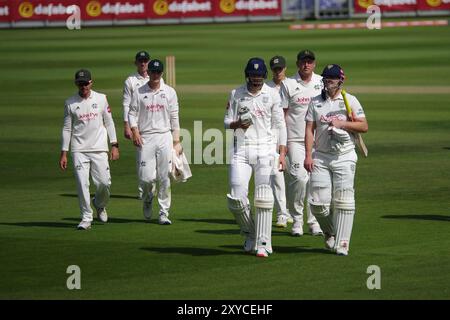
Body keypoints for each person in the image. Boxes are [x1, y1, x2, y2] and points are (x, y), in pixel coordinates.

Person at [224, 57, 287, 258]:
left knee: (263, 197)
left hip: (265, 149)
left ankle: (263, 242)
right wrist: (237, 125)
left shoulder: (272, 94)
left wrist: (282, 153)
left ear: (264, 76)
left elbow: (280, 125)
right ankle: (251, 232)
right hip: (241, 149)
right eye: (253, 75)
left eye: (260, 75)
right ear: (247, 75)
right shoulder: (236, 93)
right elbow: (226, 122)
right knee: (236, 198)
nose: (256, 79)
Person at [304, 64, 368, 256]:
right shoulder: (315, 102)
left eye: (331, 79)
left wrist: (343, 123)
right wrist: (308, 155)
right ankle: (330, 231)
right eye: (325, 78)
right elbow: (309, 129)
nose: (327, 82)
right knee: (317, 203)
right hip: (321, 156)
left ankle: (343, 243)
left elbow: (363, 126)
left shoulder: (350, 100)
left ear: (341, 80)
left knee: (343, 201)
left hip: (344, 156)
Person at [59, 69, 120, 230]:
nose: (83, 86)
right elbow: (67, 129)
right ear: (76, 84)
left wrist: (114, 145)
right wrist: (64, 152)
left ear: (91, 82)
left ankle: (99, 204)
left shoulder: (101, 99)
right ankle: (86, 217)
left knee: (104, 183)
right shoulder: (70, 103)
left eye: (86, 83)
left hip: (99, 148)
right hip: (79, 149)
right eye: (80, 83)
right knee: (82, 183)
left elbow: (109, 122)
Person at [128, 59, 182, 225]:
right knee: (146, 178)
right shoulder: (139, 91)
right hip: (146, 137)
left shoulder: (170, 92)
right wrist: (135, 131)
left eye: (158, 72)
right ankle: (148, 197)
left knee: (164, 176)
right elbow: (132, 114)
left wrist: (176, 141)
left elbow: (175, 117)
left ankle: (164, 212)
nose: (156, 75)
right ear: (148, 73)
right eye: (153, 72)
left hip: (164, 136)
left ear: (162, 73)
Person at [280, 49, 323, 236]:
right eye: (303, 61)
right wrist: (282, 143)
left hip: (319, 140)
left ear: (314, 64)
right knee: (299, 178)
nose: (306, 64)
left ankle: (313, 222)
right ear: (298, 64)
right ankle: (297, 220)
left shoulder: (321, 82)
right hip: (295, 139)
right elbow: (281, 115)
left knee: (315, 182)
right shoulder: (288, 84)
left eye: (310, 61)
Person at [266, 55, 293, 228]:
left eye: (280, 69)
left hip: (293, 134)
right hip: (272, 135)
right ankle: (282, 213)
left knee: (295, 177)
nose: (278, 72)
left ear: (285, 69)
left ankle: (290, 211)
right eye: (275, 69)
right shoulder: (266, 87)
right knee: (276, 174)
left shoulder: (291, 85)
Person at [122, 50, 151, 200]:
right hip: (137, 125)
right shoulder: (131, 81)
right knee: (142, 158)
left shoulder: (157, 77)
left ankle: (150, 188)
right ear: (136, 63)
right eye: (140, 61)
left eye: (145, 60)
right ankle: (142, 190)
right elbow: (126, 105)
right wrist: (127, 126)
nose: (143, 63)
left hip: (152, 124)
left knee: (155, 159)